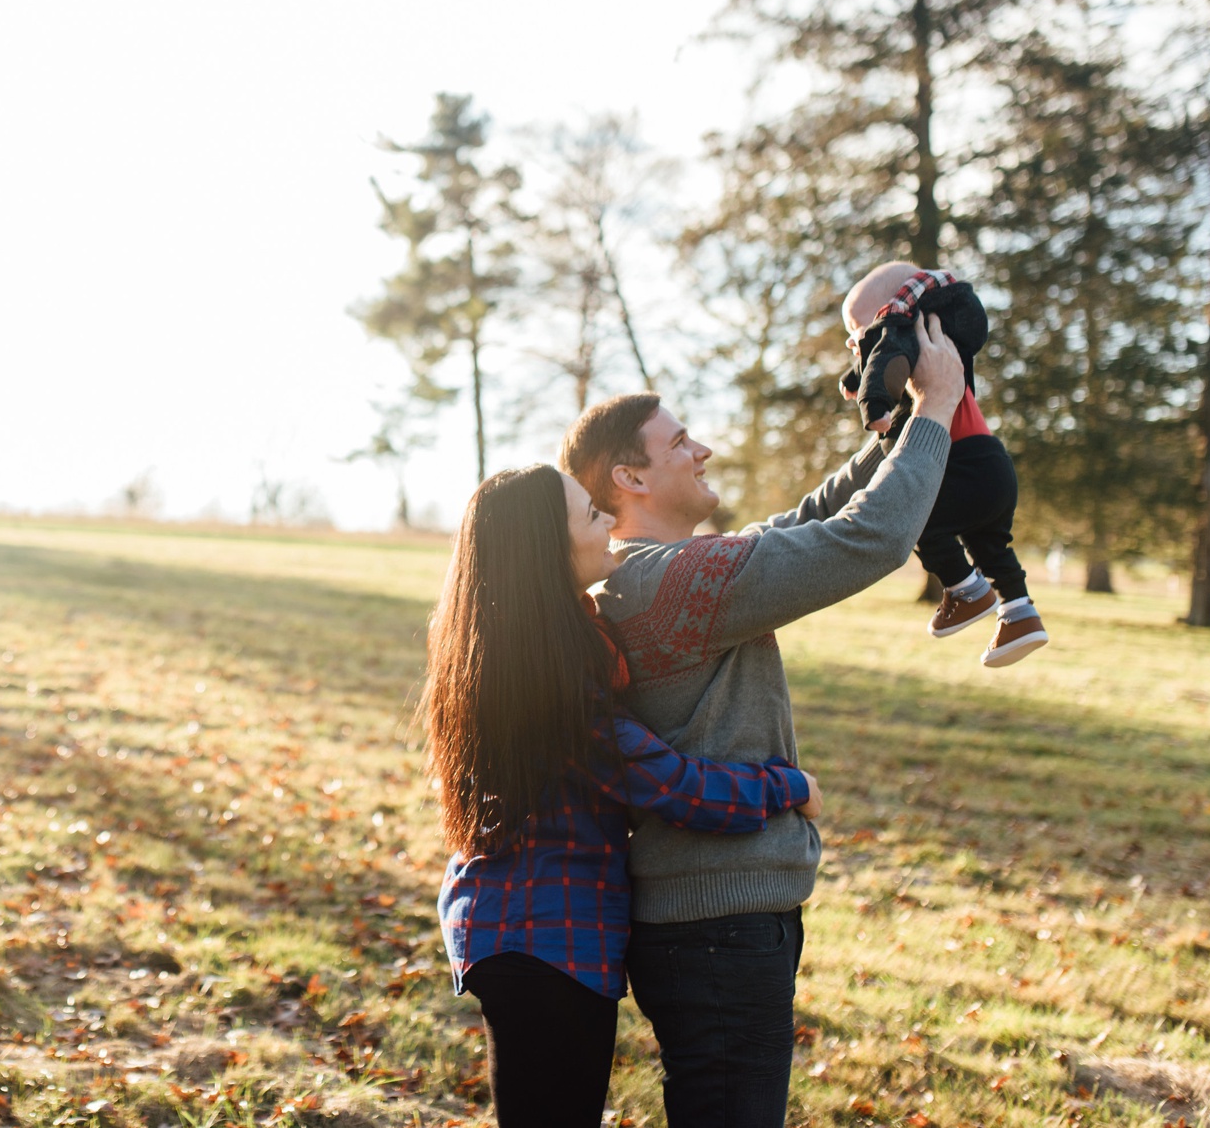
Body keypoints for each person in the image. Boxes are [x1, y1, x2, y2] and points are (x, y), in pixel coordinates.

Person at [555, 314, 964, 1128]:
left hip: (711, 923)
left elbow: (801, 523)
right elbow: (870, 539)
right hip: (719, 926)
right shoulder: (669, 581)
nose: (701, 449)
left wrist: (890, 433)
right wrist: (938, 409)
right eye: (679, 444)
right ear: (627, 479)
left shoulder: (660, 575)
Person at [423, 463, 819, 1128]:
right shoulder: (556, 680)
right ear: (547, 549)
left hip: (514, 928)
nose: (609, 520)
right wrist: (785, 783)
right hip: (547, 937)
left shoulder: (511, 645)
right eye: (590, 515)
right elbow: (669, 784)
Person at [840, 261, 1047, 666]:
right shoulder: (940, 348)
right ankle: (1020, 614)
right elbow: (877, 364)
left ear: (890, 312)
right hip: (991, 465)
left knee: (912, 514)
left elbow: (886, 364)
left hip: (960, 465)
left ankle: (965, 589)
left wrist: (876, 404)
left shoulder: (899, 337)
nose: (852, 341)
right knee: (992, 546)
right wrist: (855, 378)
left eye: (856, 329)